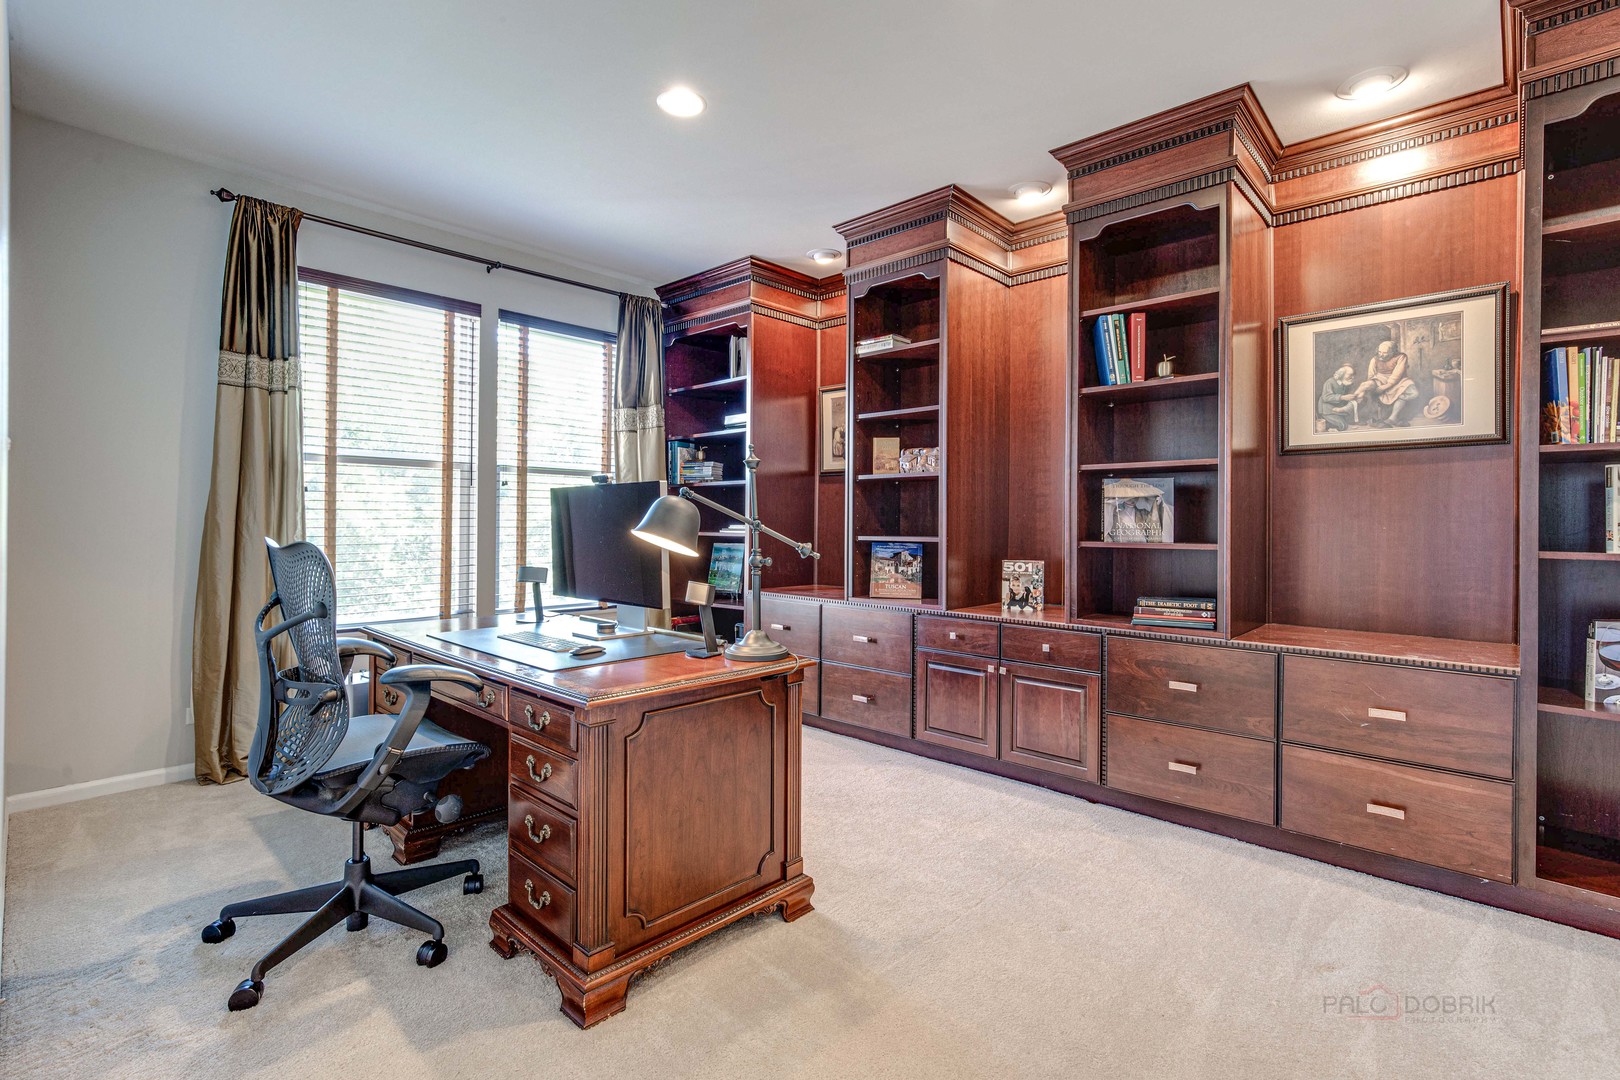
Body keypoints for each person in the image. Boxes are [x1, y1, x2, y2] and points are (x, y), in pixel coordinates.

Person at [1364, 338, 1419, 427]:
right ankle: (1376, 418)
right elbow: (1371, 375)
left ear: (1392, 352)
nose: (1381, 354)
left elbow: (1397, 374)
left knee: (1413, 392)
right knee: (1369, 387)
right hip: (1381, 379)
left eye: (1384, 352)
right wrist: (1376, 384)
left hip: (1398, 380)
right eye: (1379, 352)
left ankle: (1393, 417)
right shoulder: (1374, 359)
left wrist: (1385, 387)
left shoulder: (1401, 357)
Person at [1317, 364, 1368, 431]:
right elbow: (1326, 397)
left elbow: (1349, 395)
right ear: (1342, 374)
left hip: (1340, 407)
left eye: (1353, 375)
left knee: (1363, 399)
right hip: (1329, 410)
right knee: (1343, 425)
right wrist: (1342, 397)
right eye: (1350, 375)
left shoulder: (1346, 383)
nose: (1352, 377)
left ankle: (1345, 414)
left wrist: (1356, 397)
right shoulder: (1330, 382)